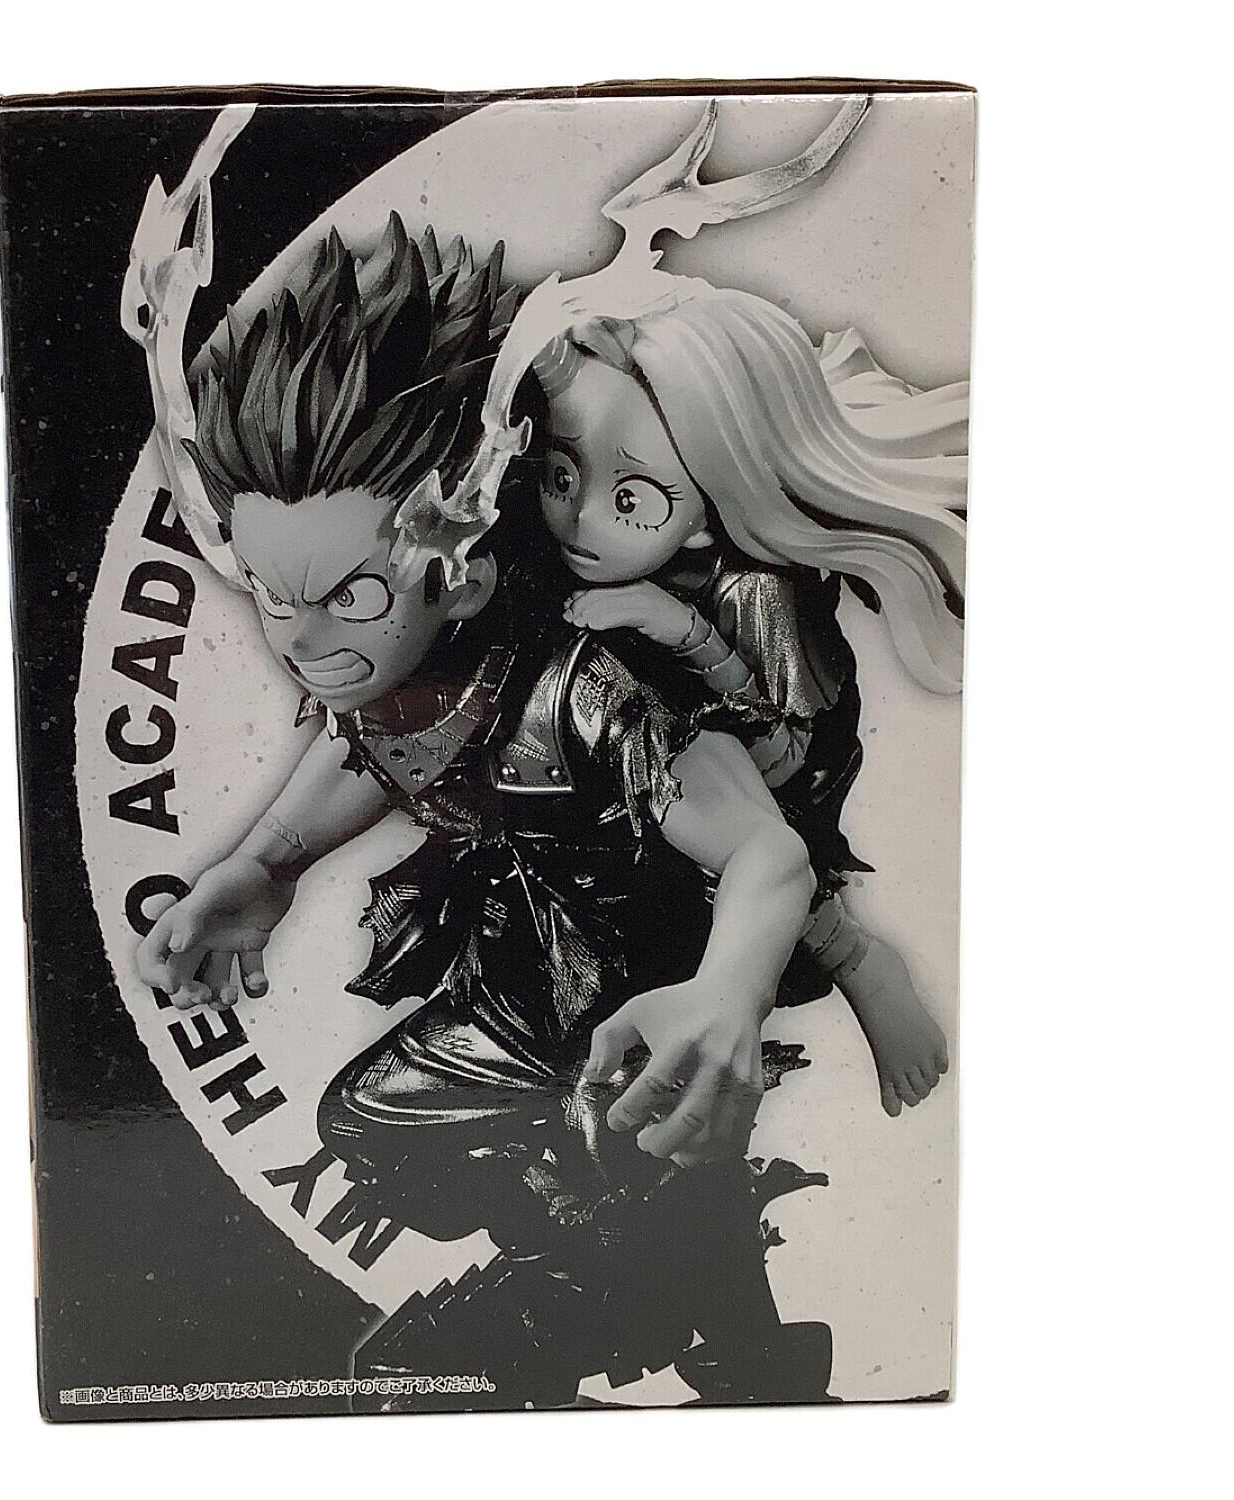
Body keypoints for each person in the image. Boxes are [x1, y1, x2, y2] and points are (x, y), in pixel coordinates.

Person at [134, 219, 833, 1405]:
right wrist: (266, 864)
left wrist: (725, 997)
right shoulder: (400, 679)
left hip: (637, 988)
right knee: (374, 1125)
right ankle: (654, 1287)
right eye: (270, 594)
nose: (299, 641)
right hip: (520, 977)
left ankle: (655, 1299)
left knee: (626, 1141)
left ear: (457, 570)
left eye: (349, 598)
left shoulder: (586, 687)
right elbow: (374, 755)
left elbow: (768, 850)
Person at [527, 300, 963, 1118]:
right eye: (560, 478)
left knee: (730, 838)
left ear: (706, 512)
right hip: (645, 740)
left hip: (778, 752)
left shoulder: (758, 593)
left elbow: (789, 758)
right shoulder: (577, 558)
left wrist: (682, 630)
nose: (579, 519)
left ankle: (860, 962)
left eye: (631, 500)